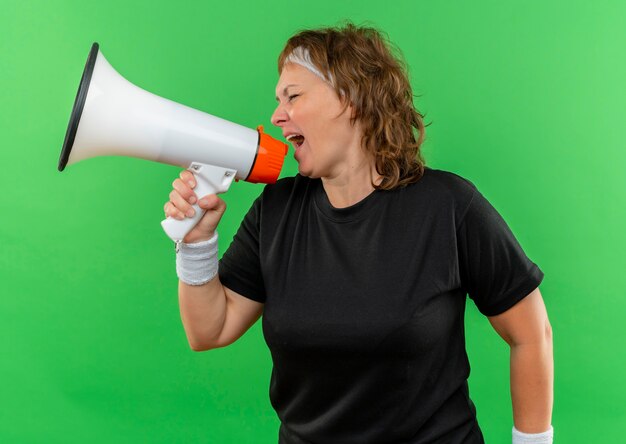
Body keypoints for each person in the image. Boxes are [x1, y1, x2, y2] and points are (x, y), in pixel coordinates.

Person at [164, 23, 554, 444]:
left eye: (293, 96)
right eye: (278, 101)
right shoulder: (275, 210)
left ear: (351, 98)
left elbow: (531, 333)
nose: (277, 116)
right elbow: (209, 330)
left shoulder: (449, 207)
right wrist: (197, 243)